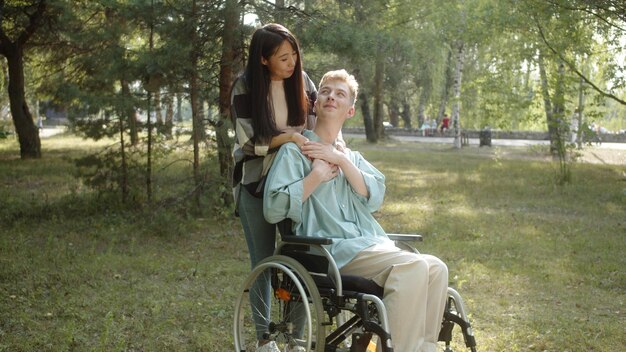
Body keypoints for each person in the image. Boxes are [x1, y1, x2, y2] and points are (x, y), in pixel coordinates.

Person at [264, 69, 448, 352]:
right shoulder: (295, 152)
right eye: (325, 91)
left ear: (350, 110)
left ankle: (422, 348)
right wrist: (316, 176)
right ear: (315, 103)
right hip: (329, 250)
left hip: (367, 245)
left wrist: (341, 160)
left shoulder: (353, 158)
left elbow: (374, 197)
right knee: (414, 266)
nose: (331, 97)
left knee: (436, 267)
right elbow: (273, 210)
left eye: (340, 94)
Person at [230, 23, 316, 352]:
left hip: (298, 184)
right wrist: (291, 138)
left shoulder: (303, 83)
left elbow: (312, 133)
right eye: (283, 57)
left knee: (300, 261)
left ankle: (296, 339)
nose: (292, 62)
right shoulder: (245, 87)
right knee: (264, 263)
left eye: (294, 54)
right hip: (255, 184)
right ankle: (264, 340)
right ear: (263, 59)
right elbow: (250, 142)